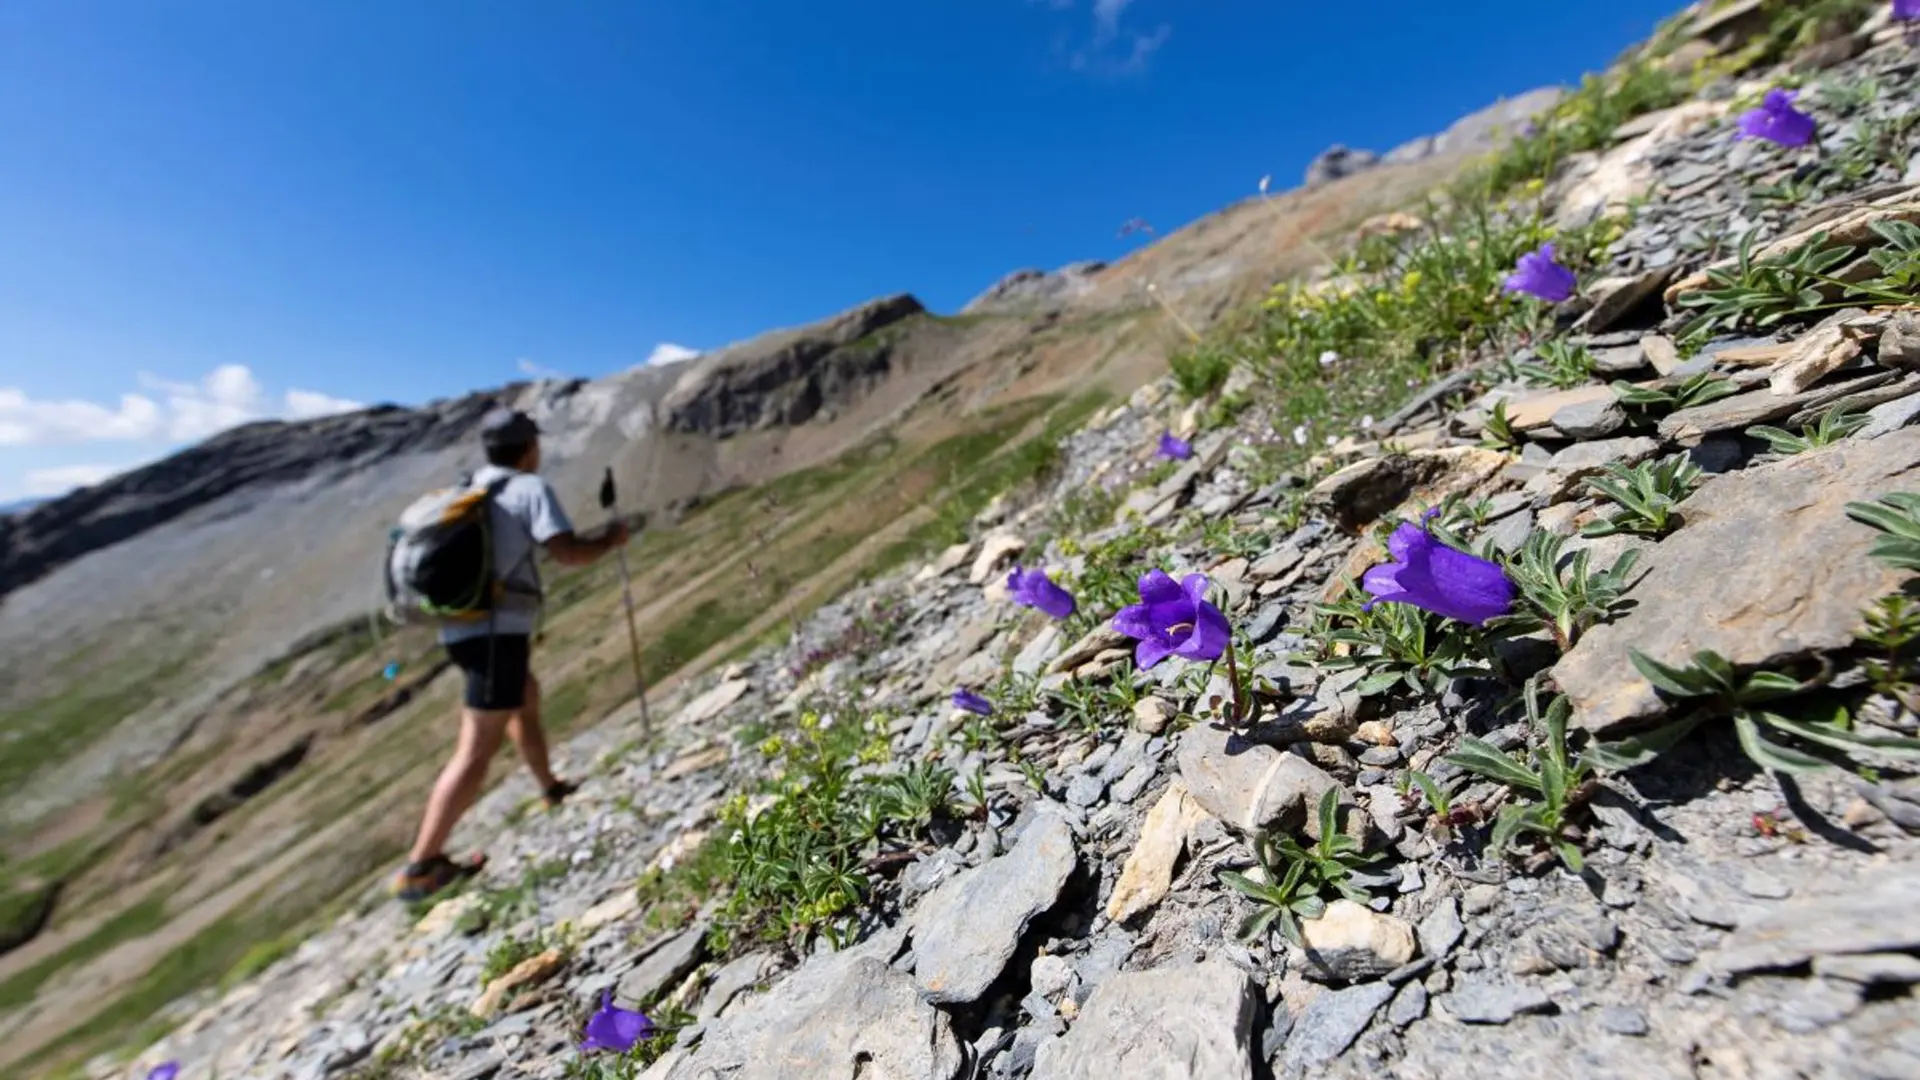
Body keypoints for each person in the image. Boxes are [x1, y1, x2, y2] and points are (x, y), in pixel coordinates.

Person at [393, 408, 630, 902]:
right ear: (529, 448)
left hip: (463, 631)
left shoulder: (470, 488)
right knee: (476, 750)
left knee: (526, 695)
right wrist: (610, 540)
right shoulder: (527, 489)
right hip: (498, 633)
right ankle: (421, 866)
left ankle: (550, 787)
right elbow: (566, 553)